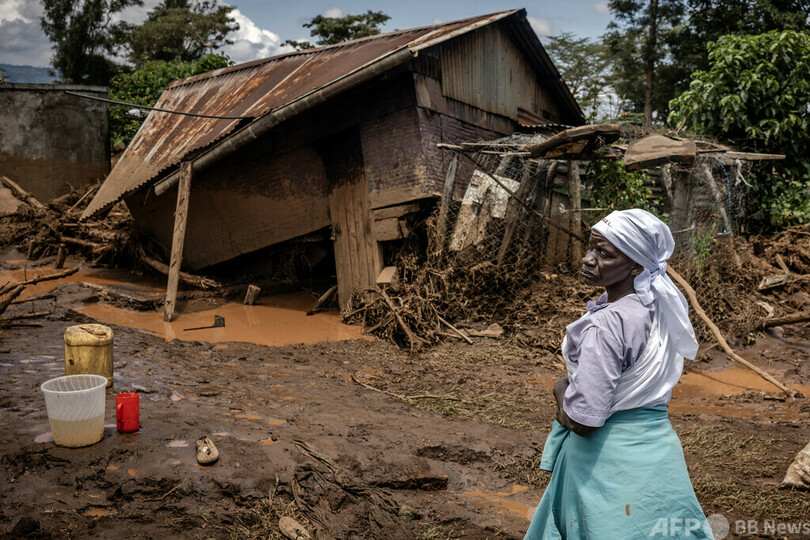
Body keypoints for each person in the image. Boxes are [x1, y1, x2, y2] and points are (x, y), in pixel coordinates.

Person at [524, 209, 712, 539]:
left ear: (636, 265)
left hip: (605, 464)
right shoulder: (655, 305)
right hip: (657, 456)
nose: (587, 259)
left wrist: (560, 389)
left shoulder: (607, 325)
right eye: (591, 248)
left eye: (603, 254)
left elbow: (584, 421)